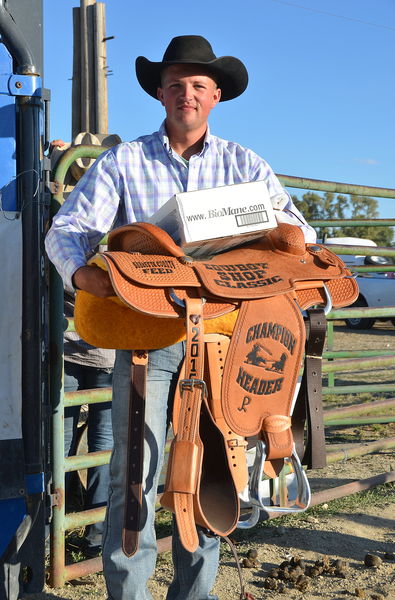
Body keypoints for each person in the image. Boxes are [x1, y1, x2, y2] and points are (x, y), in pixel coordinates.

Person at [45, 35, 316, 600]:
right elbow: (67, 230)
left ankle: (195, 593)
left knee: (214, 470)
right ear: (161, 94)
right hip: (147, 336)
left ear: (215, 95)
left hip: (222, 337)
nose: (186, 94)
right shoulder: (124, 161)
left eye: (197, 85)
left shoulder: (246, 164)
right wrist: (81, 273)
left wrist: (279, 242)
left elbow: (300, 233)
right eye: (175, 85)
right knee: (132, 474)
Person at [49, 140, 115, 558]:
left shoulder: (62, 215)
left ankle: (80, 526)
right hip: (96, 345)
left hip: (87, 344)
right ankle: (93, 532)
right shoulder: (116, 218)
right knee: (98, 441)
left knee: (70, 433)